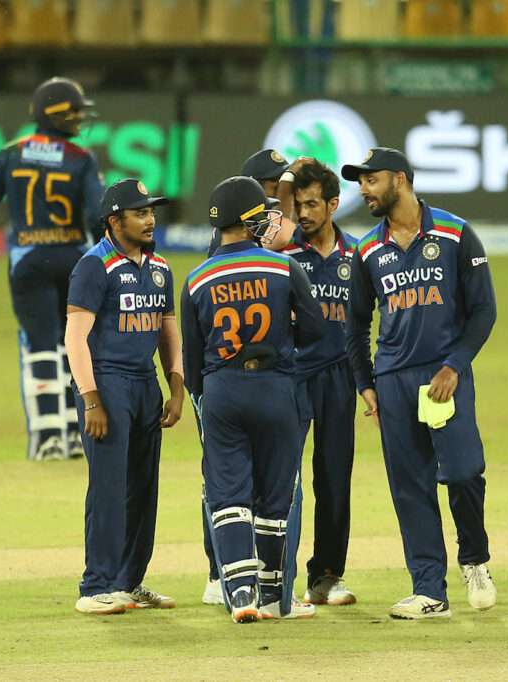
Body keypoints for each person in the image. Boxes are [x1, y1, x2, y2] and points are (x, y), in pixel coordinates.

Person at [343, 147, 498, 619]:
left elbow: (484, 309)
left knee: (464, 472)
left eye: (372, 180)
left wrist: (454, 365)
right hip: (392, 379)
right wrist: (365, 383)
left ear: (401, 180)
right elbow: (354, 325)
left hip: (443, 377)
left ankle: (473, 559)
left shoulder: (454, 233)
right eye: (360, 182)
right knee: (409, 486)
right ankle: (430, 588)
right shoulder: (368, 248)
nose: (364, 189)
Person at [181, 176, 325, 623]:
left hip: (222, 390)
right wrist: (282, 341)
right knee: (275, 497)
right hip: (276, 389)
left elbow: (190, 360)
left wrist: (210, 398)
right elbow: (318, 329)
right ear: (247, 221)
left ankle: (240, 595)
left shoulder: (195, 277)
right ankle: (274, 600)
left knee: (227, 495)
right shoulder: (283, 267)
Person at [0, 76, 105, 461]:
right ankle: (78, 433)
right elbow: (96, 215)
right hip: (75, 259)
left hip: (28, 259)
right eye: (75, 111)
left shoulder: (11, 153)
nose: (80, 118)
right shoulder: (80, 158)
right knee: (76, 344)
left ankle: (47, 439)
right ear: (57, 114)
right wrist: (105, 255)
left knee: (40, 346)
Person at [64, 178, 183, 614]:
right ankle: (95, 586)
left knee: (142, 489)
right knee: (108, 488)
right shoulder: (94, 266)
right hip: (108, 384)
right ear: (115, 221)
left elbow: (167, 328)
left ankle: (130, 581)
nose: (150, 219)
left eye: (151, 211)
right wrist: (90, 398)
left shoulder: (159, 268)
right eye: (140, 213)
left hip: (145, 384)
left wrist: (176, 384)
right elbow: (75, 338)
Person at [199, 148, 300, 605]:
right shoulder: (261, 248)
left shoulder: (214, 258)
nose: (281, 197)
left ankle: (235, 583)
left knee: (228, 484)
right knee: (243, 486)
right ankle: (228, 579)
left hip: (222, 384)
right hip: (260, 381)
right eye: (276, 186)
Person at [282, 160, 359, 607]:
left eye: (313, 204)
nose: (305, 212)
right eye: (300, 204)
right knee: (282, 480)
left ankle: (325, 577)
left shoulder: (357, 255)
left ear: (333, 204)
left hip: (338, 378)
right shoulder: (282, 253)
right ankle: (276, 573)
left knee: (333, 479)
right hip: (291, 374)